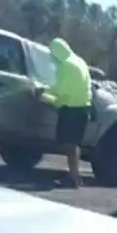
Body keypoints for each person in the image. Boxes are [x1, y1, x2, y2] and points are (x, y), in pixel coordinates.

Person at [45, 37, 94, 189]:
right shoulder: (80, 61)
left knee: (69, 145)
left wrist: (44, 92)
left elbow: (60, 90)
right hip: (83, 108)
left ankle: (73, 178)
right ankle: (75, 176)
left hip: (71, 109)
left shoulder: (65, 65)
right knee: (74, 145)